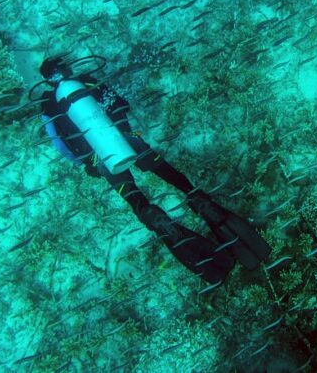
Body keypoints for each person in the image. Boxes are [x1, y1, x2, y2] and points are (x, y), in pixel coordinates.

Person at [31, 54, 271, 285]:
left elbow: (60, 143)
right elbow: (115, 105)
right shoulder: (86, 80)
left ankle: (164, 225)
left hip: (100, 159)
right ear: (67, 69)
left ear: (46, 79)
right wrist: (127, 135)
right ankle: (205, 205)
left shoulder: (47, 105)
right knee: (172, 177)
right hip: (126, 139)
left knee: (136, 200)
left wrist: (85, 163)